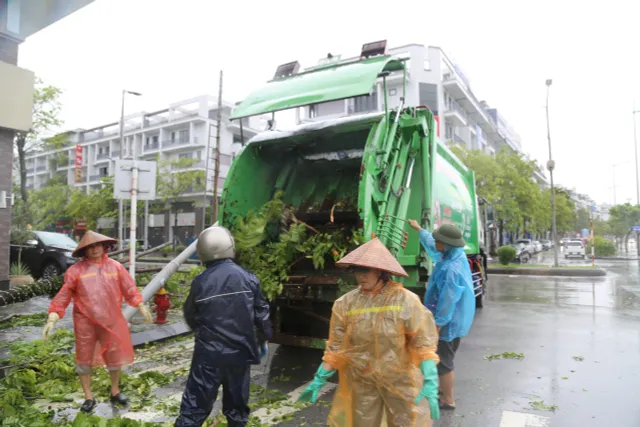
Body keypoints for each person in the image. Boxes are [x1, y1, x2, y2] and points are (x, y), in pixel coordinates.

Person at [298, 237, 440, 427]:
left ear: (381, 272)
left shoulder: (406, 301)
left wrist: (430, 377)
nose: (360, 276)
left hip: (400, 381)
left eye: (366, 270)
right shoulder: (345, 304)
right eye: (357, 270)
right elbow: (336, 347)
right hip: (363, 381)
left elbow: (422, 343)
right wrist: (319, 377)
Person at [42, 231, 153, 413]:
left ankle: (115, 391)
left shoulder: (115, 267)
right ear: (84, 251)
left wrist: (140, 304)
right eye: (90, 247)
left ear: (104, 246)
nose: (94, 249)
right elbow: (65, 294)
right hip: (85, 322)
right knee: (83, 360)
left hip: (110, 320)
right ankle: (88, 397)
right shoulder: (75, 271)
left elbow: (129, 288)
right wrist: (53, 315)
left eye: (97, 245)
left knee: (114, 357)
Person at [175, 225, 272, 427]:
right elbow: (262, 315)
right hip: (241, 354)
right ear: (230, 247)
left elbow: (190, 315)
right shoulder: (249, 278)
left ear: (202, 252)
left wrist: (204, 334)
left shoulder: (200, 282)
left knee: (194, 408)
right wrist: (262, 339)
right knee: (237, 409)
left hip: (208, 356)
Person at [408, 220, 476, 410]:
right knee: (440, 358)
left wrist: (437, 326)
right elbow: (431, 243)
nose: (436, 245)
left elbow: (448, 301)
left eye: (439, 241)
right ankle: (441, 392)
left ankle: (448, 399)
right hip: (451, 319)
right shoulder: (453, 255)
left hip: (449, 322)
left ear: (447, 244)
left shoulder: (451, 269)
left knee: (445, 362)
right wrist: (419, 230)